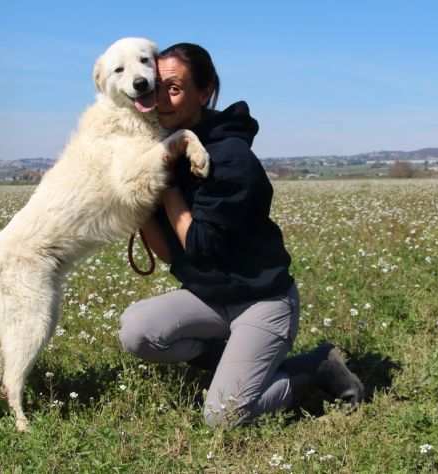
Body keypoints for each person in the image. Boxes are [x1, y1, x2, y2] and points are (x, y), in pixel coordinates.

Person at [119, 43, 364, 427]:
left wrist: (164, 187)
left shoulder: (231, 159)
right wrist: (137, 198)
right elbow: (171, 254)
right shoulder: (165, 151)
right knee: (137, 332)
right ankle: (237, 363)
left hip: (261, 301)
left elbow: (198, 246)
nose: (161, 100)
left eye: (175, 88)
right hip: (211, 298)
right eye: (156, 88)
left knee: (223, 417)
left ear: (205, 92)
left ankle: (314, 369)